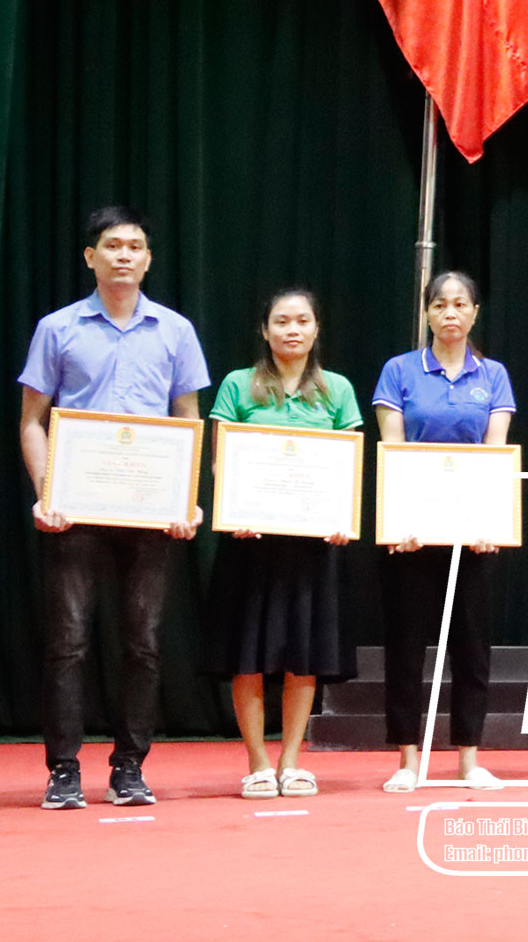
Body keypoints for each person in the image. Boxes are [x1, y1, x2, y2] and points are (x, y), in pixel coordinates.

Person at [18, 205, 210, 811]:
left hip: (150, 512)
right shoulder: (57, 328)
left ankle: (130, 767)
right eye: (112, 245)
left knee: (143, 643)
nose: (124, 255)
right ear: (90, 257)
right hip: (75, 509)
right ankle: (63, 770)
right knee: (68, 643)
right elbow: (31, 421)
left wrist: (186, 499)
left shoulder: (175, 330)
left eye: (135, 247)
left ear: (148, 259)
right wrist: (48, 492)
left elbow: (188, 420)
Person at [201, 289, 360, 799]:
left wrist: (341, 517)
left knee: (303, 655)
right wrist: (234, 508)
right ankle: (256, 762)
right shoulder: (237, 384)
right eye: (281, 321)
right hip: (250, 543)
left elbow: (348, 464)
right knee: (247, 655)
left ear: (316, 330)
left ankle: (291, 761)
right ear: (264, 330)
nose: (292, 330)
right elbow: (221, 459)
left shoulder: (337, 389)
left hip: (313, 546)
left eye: (302, 321)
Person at [370, 270, 512, 792]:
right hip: (412, 532)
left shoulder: (493, 375)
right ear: (427, 312)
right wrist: (400, 521)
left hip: (472, 535)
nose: (450, 313)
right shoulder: (399, 370)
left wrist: (489, 522)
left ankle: (469, 759)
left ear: (474, 313)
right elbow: (393, 451)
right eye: (440, 304)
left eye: (460, 304)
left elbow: (495, 455)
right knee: (406, 646)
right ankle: (408, 759)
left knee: (472, 648)